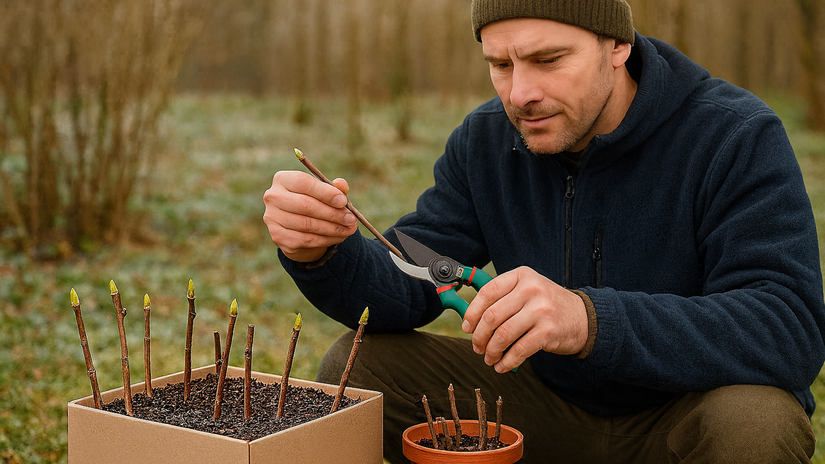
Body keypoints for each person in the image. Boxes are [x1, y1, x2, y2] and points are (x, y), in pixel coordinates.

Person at [262, 0, 825, 462]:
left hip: (684, 419)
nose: (520, 93)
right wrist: (324, 252)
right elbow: (418, 268)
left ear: (618, 46)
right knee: (356, 369)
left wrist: (588, 320)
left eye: (548, 60)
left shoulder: (732, 136)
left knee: (757, 422)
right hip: (539, 407)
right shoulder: (486, 142)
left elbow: (788, 326)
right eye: (501, 65)